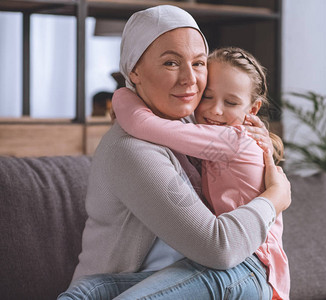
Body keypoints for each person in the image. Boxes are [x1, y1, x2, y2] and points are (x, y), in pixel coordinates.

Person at [58, 5, 290, 300]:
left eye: (198, 63)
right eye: (171, 63)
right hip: (149, 281)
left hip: (215, 276)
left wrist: (262, 143)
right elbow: (217, 247)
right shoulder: (132, 148)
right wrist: (275, 198)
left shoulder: (194, 121)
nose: (190, 80)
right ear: (134, 71)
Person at [111, 46, 290, 299]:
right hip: (223, 258)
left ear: (252, 110)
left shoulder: (232, 139)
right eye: (207, 96)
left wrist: (123, 92)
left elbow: (143, 124)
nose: (215, 110)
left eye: (231, 102)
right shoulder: (216, 135)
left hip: (250, 263)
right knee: (91, 289)